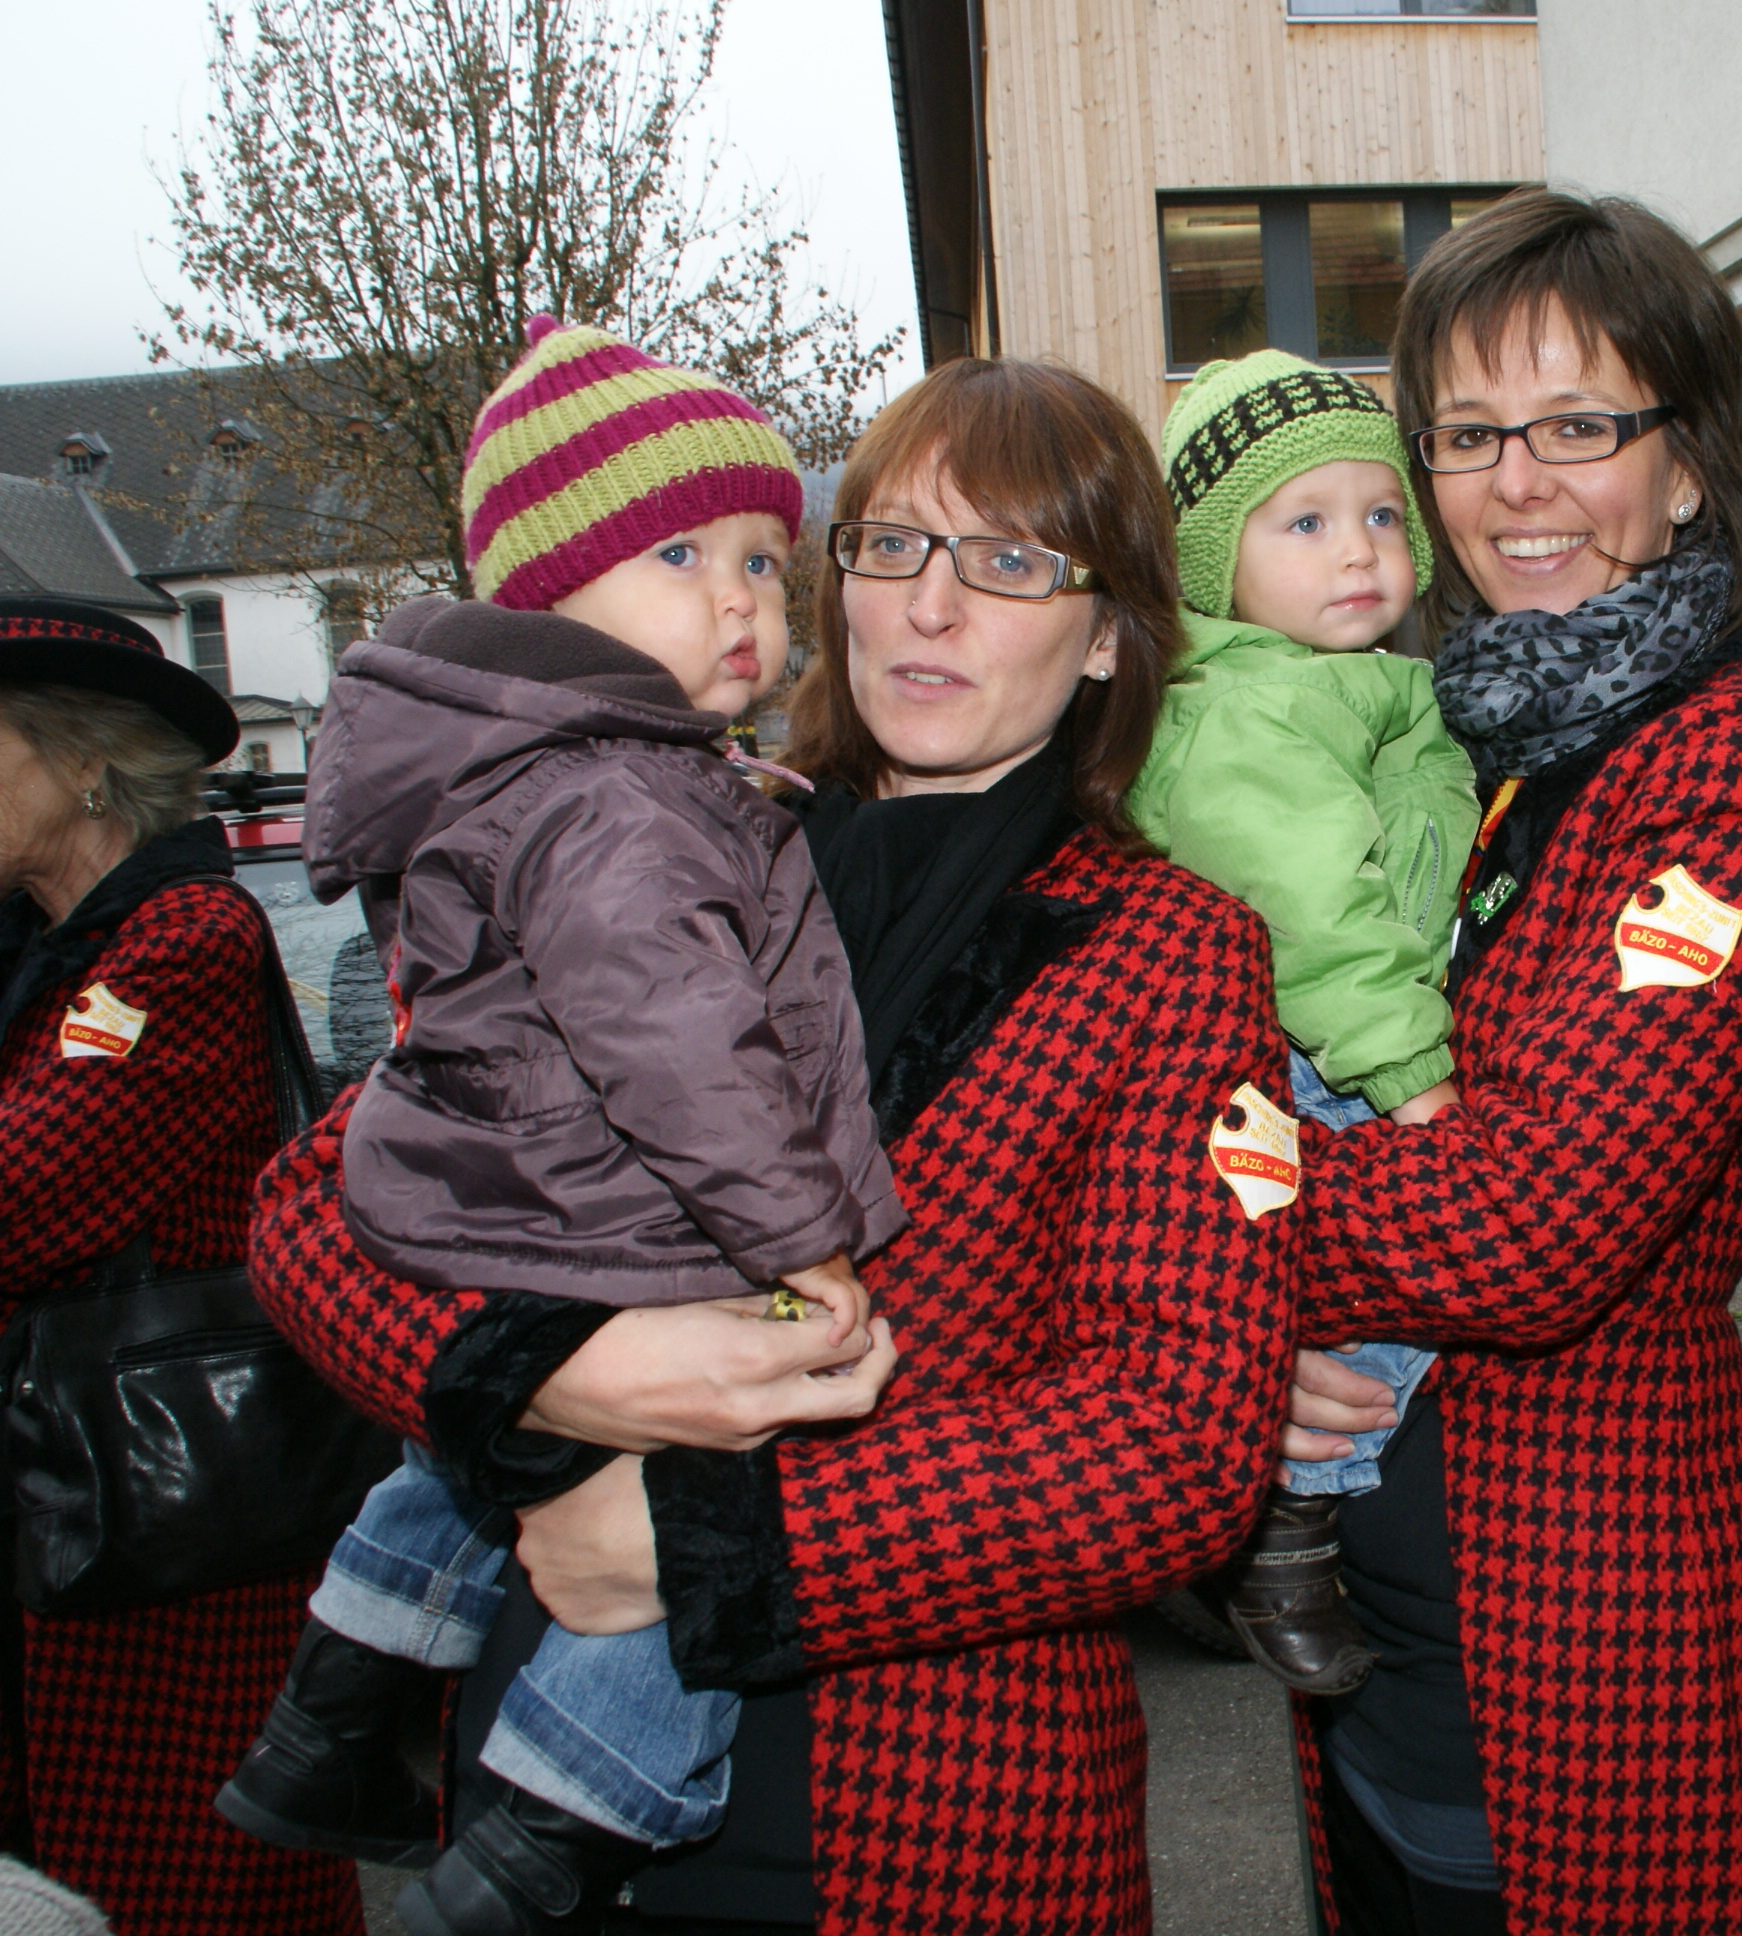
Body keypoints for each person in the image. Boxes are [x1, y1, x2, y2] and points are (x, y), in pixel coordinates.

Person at [245, 356, 1299, 1935]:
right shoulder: (651, 829)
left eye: (1012, 562)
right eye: (892, 544)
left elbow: (1176, 1441)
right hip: (523, 1739)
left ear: (1107, 637)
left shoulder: (1172, 952)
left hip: (916, 1806)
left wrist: (707, 1546)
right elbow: (315, 1200)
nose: (929, 606)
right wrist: (535, 1369)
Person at [217, 320, 905, 1929]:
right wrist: (801, 1236)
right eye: (680, 555)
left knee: (450, 1466)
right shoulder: (616, 794)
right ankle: (553, 1828)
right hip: (625, 1211)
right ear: (545, 592)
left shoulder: (562, 771)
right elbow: (686, 1046)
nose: (742, 603)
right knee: (697, 1509)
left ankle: (333, 1710)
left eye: (763, 559)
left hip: (493, 1199)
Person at [1276, 190, 1742, 1933]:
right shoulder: (1456, 736)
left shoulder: (1726, 763)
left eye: (1578, 425)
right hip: (1378, 1621)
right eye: (1467, 433)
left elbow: (1536, 1219)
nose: (1515, 484)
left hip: (1589, 1622)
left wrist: (1224, 1247)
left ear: (1687, 468)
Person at [0, 598, 363, 1934]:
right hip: (68, 1503)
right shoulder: (43, 949)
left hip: (167, 1516)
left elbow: (25, 1197)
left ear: (84, 759)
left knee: (187, 1888)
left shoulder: (178, 943)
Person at [1129, 350, 1476, 1694]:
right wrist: (1413, 1075)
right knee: (1406, 1275)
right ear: (1214, 565)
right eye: (1306, 523)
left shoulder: (1356, 681)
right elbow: (1320, 911)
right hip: (1322, 1048)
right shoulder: (1248, 710)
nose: (1359, 551)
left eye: (1382, 514)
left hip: (1355, 1026)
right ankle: (1287, 1517)